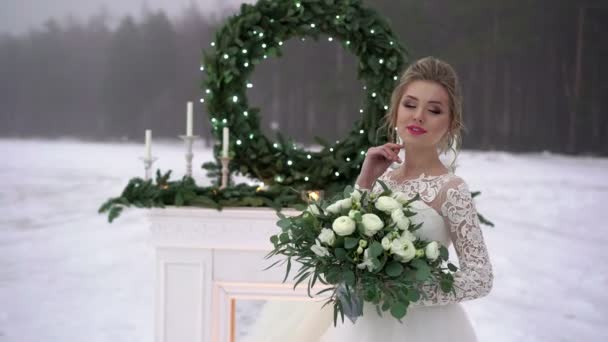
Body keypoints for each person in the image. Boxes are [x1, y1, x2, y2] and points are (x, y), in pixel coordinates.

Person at [244, 56, 494, 342]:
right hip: (363, 325)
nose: (418, 116)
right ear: (396, 111)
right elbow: (348, 242)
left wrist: (406, 289)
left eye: (434, 110)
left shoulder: (451, 189)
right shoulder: (383, 179)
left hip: (424, 329)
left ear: (451, 123)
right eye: (410, 104)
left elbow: (480, 277)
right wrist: (364, 181)